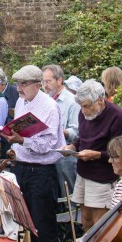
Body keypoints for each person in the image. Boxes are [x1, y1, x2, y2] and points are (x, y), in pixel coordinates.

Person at [0, 65, 64, 242]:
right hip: (21, 166)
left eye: (24, 84)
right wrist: (14, 147)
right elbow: (19, 132)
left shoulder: (49, 106)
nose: (19, 88)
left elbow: (49, 143)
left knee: (42, 216)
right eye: (17, 83)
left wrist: (22, 141)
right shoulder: (21, 102)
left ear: (38, 85)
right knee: (23, 214)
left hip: (41, 169)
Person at [63, 80, 122, 231]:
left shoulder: (117, 116)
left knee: (99, 223)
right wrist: (72, 147)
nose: (83, 111)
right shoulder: (83, 113)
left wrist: (97, 155)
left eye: (87, 106)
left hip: (103, 175)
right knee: (85, 219)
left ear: (100, 100)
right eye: (81, 106)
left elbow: (121, 151)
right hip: (83, 171)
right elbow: (83, 138)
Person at [42, 64, 80, 197]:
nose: (45, 85)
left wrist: (59, 131)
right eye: (43, 82)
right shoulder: (44, 99)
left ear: (59, 80)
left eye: (48, 81)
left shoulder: (72, 101)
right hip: (46, 153)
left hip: (64, 156)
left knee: (69, 196)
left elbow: (76, 132)